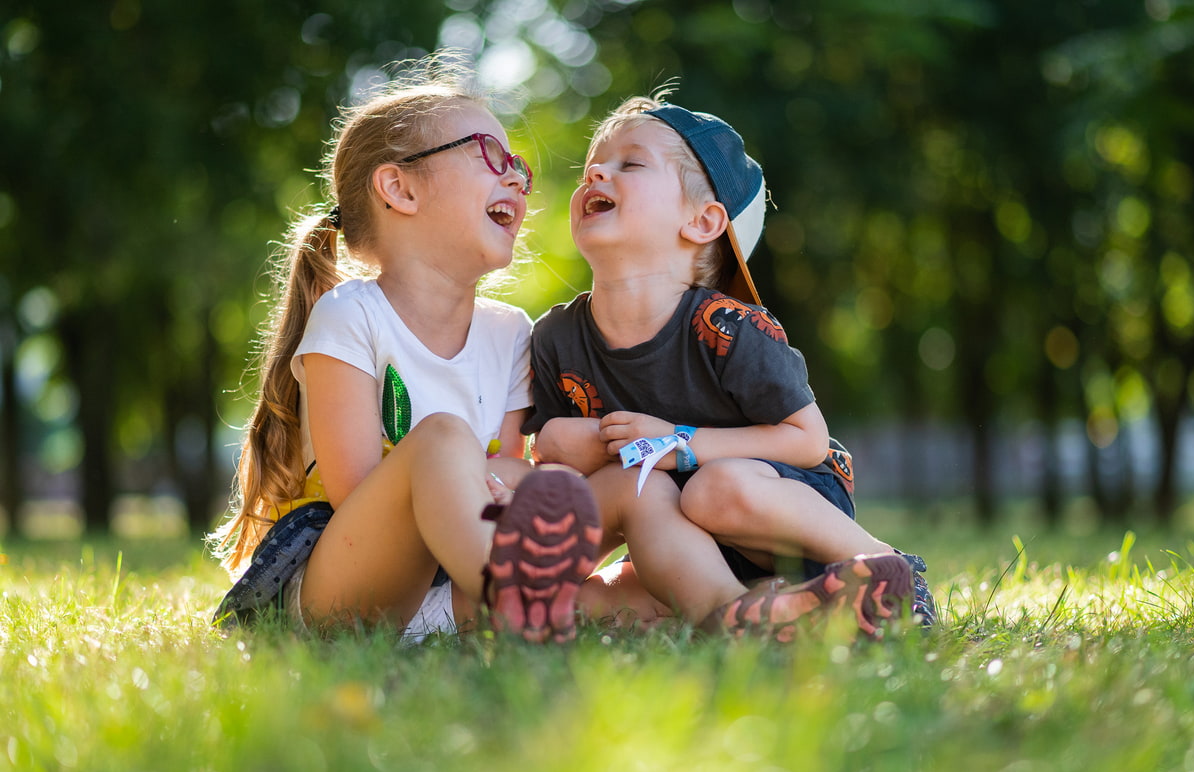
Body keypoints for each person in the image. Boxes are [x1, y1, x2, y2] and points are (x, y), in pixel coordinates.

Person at [210, 59, 665, 644]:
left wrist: (504, 479)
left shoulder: (510, 332)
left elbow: (512, 463)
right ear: (400, 188)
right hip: (353, 589)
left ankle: (756, 602)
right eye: (490, 155)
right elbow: (359, 493)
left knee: (628, 493)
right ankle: (520, 602)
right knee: (444, 435)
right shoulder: (351, 316)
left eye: (520, 167)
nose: (518, 181)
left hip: (453, 589)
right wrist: (472, 470)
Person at [524, 94, 937, 638]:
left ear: (702, 221)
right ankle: (768, 606)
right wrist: (566, 444)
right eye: (592, 166)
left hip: (775, 504)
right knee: (582, 604)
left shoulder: (727, 327)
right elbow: (557, 457)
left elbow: (806, 441)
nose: (596, 171)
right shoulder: (555, 336)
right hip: (679, 537)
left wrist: (678, 441)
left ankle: (888, 570)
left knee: (714, 491)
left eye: (631, 163)